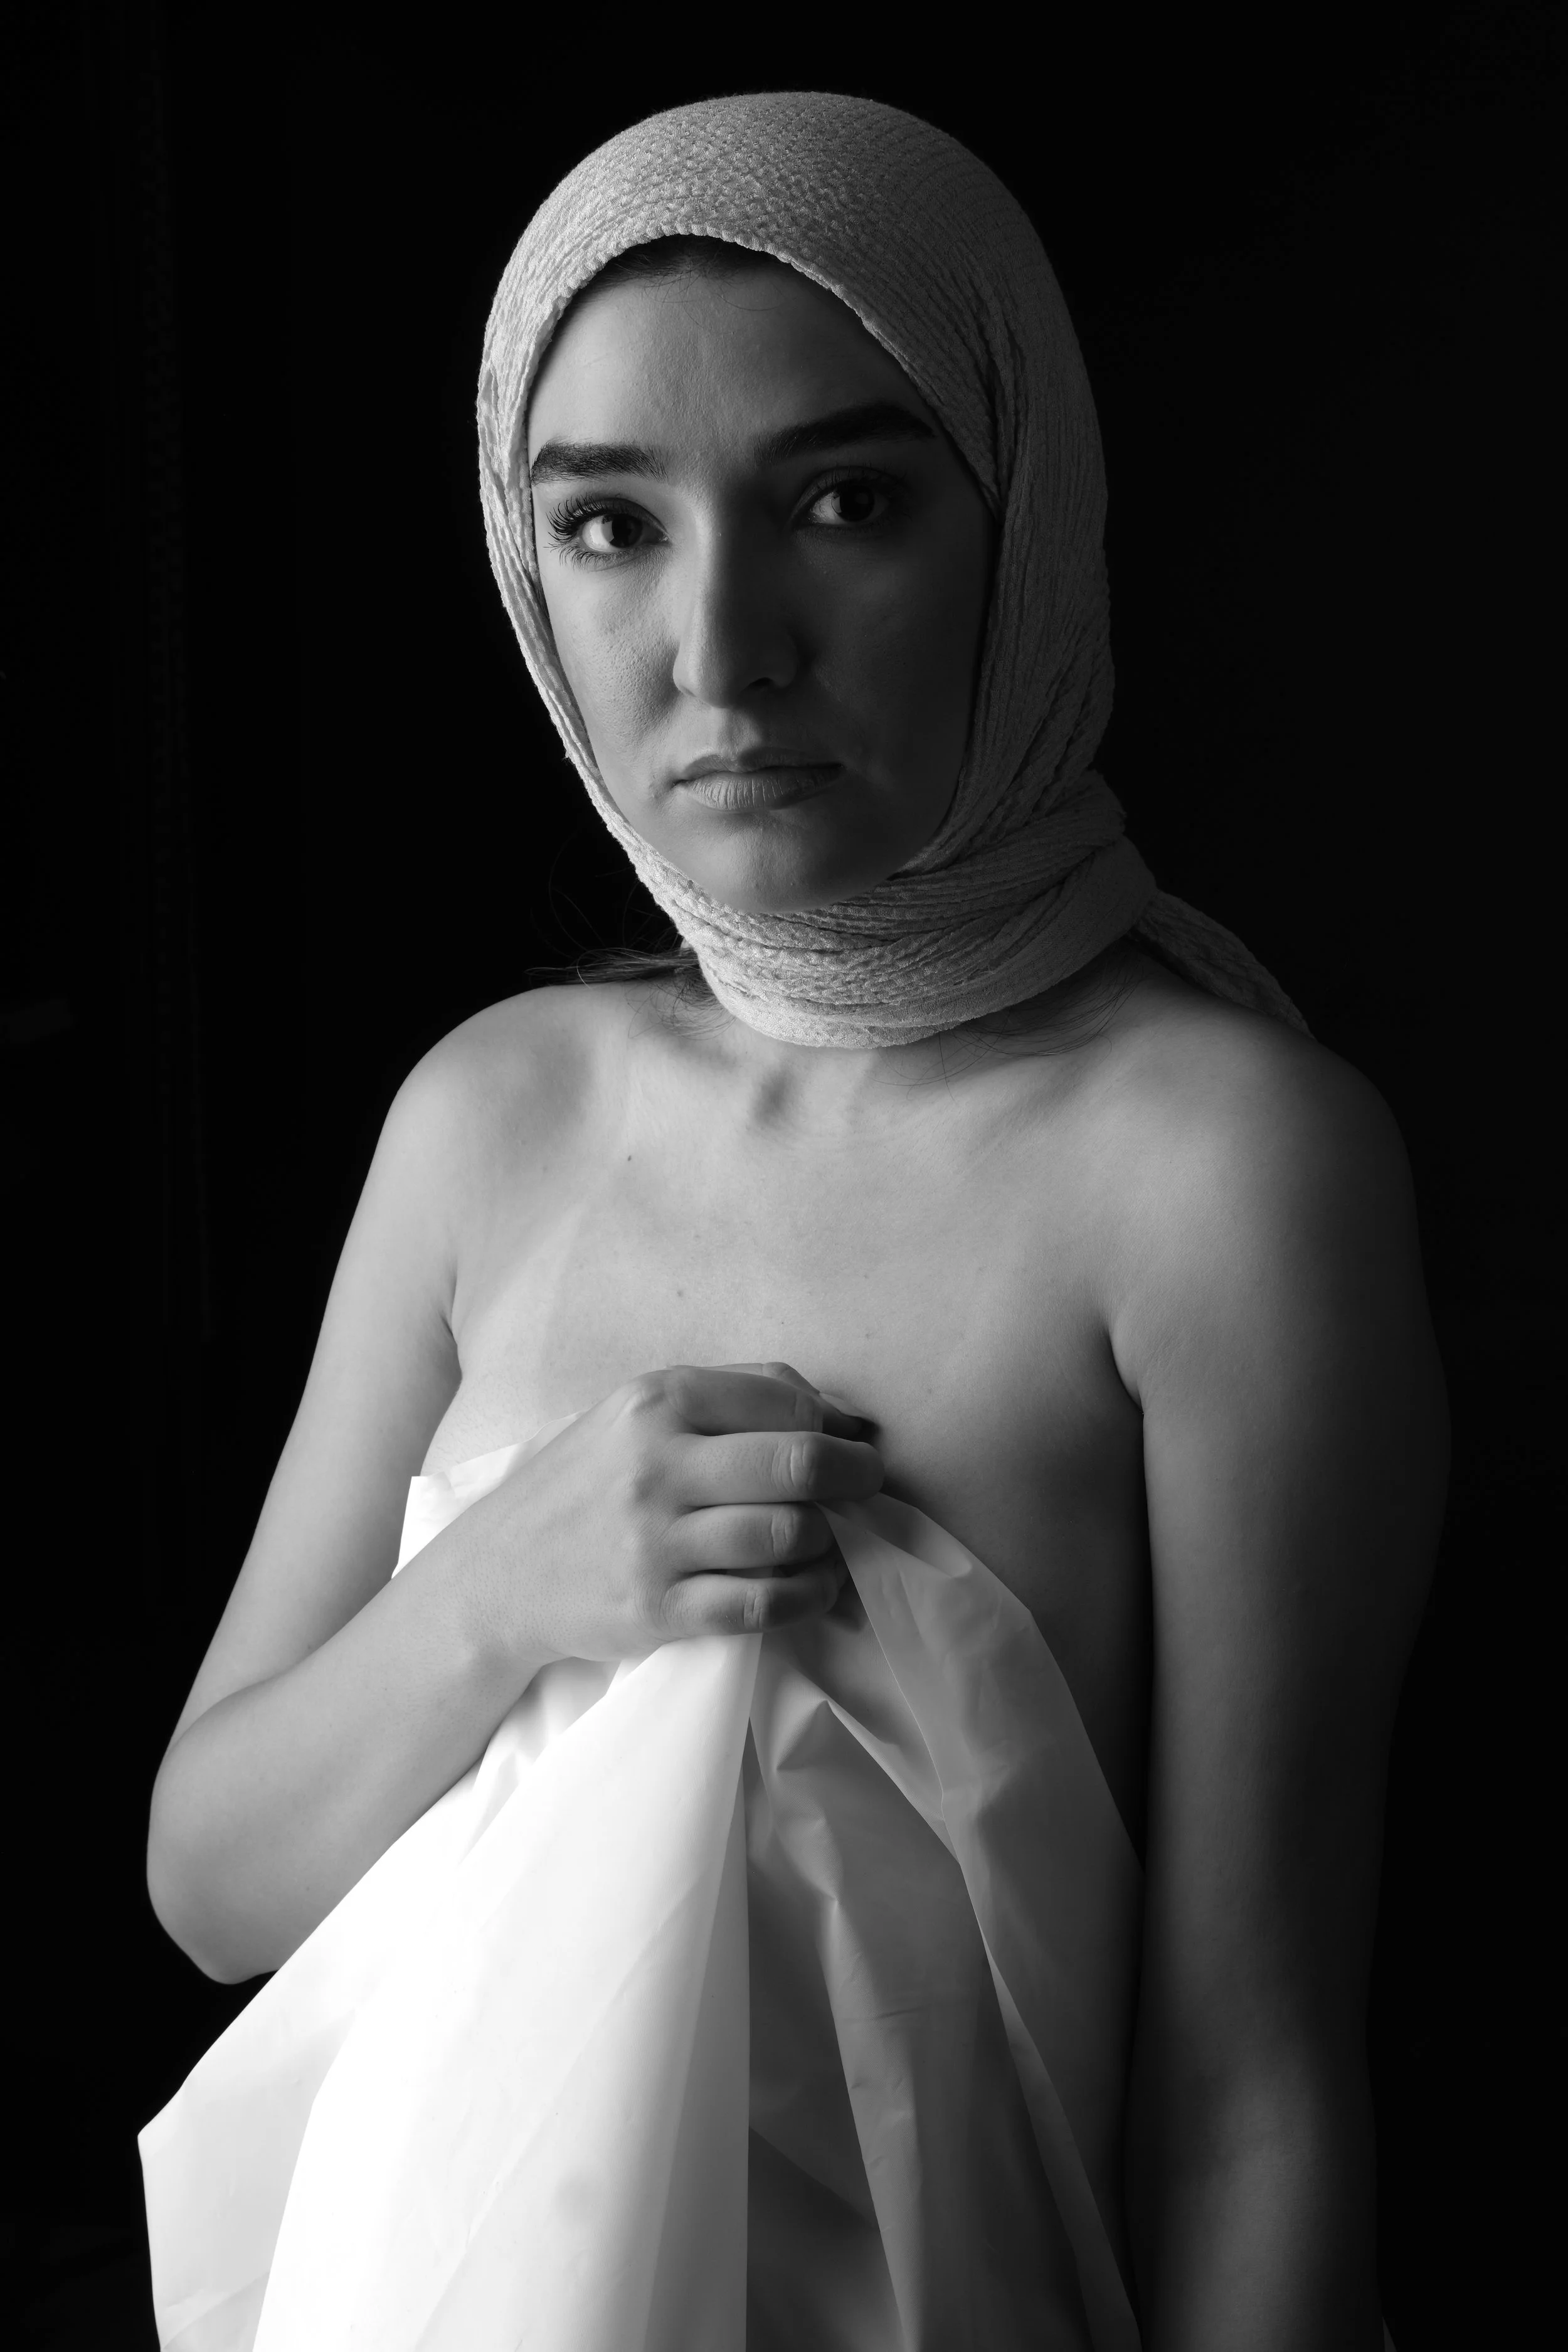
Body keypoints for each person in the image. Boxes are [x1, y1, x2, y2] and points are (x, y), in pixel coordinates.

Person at [142, 93, 1444, 2352]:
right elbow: (213, 1882)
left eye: (844, 501)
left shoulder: (1219, 1170)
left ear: (1022, 513)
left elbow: (1250, 2083)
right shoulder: (493, 1115)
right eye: (609, 526)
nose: (719, 646)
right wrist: (510, 1586)